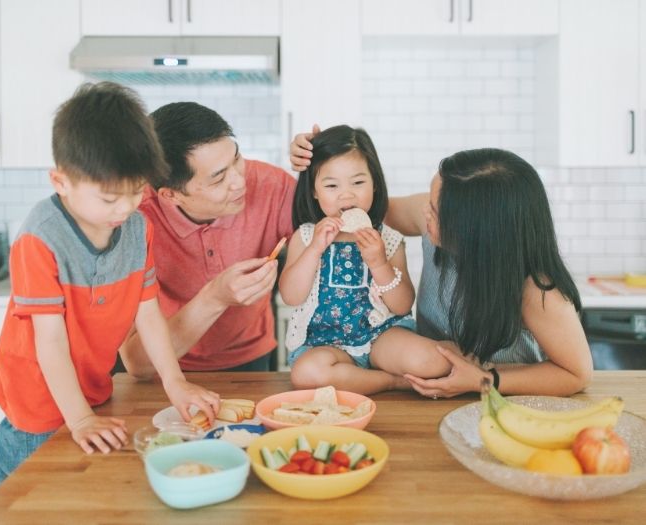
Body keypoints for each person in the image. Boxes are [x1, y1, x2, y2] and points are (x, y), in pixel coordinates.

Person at [0, 82, 220, 489]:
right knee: (21, 497)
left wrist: (174, 381)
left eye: (135, 192)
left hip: (92, 391)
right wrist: (79, 419)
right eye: (110, 199)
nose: (126, 208)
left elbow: (148, 312)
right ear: (61, 181)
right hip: (37, 406)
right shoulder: (40, 239)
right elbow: (50, 343)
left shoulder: (135, 228)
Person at [291, 131, 593, 398]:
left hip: (504, 402)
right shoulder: (431, 211)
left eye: (434, 211)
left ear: (474, 233)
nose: (424, 212)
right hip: (426, 387)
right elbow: (357, 203)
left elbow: (576, 375)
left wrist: (484, 381)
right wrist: (314, 160)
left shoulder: (538, 290)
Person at [119, 102, 295, 377]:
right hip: (166, 369)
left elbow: (333, 230)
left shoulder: (272, 185)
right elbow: (137, 364)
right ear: (171, 195)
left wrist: (322, 166)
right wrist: (215, 297)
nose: (239, 182)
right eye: (218, 179)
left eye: (236, 159)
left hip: (252, 356)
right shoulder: (133, 220)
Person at [280, 125, 452, 395]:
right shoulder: (305, 237)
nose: (346, 194)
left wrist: (379, 263)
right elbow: (291, 296)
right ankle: (392, 381)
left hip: (381, 335)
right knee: (305, 374)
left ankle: (360, 378)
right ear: (314, 191)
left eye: (358, 183)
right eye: (331, 185)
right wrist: (314, 249)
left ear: (374, 183)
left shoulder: (388, 238)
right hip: (327, 344)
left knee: (434, 361)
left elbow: (402, 304)